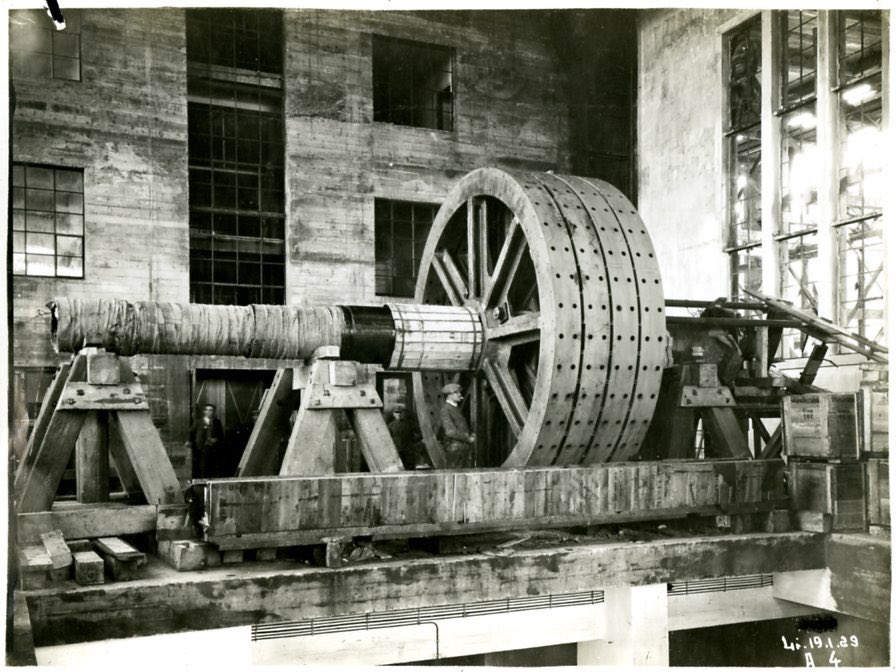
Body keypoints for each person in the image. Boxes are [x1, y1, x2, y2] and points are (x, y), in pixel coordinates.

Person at [439, 383, 475, 468]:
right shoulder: (446, 410)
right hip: (455, 449)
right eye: (456, 392)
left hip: (461, 448)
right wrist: (468, 438)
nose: (460, 394)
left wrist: (470, 434)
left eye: (459, 392)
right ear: (449, 395)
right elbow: (450, 431)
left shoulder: (455, 408)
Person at [188, 403, 225, 479]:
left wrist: (216, 439)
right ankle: (202, 483)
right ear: (204, 412)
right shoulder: (198, 422)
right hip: (201, 448)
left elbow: (221, 436)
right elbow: (191, 432)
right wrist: (189, 441)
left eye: (211, 410)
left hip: (214, 448)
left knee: (214, 466)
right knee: (202, 466)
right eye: (207, 410)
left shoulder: (217, 422)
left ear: (214, 412)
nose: (209, 412)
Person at [388, 404, 415, 469]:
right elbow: (388, 438)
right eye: (396, 413)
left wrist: (413, 442)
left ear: (403, 414)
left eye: (400, 412)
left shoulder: (409, 424)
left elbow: (417, 434)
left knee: (410, 467)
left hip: (408, 450)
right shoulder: (390, 425)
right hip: (397, 449)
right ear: (393, 414)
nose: (398, 414)